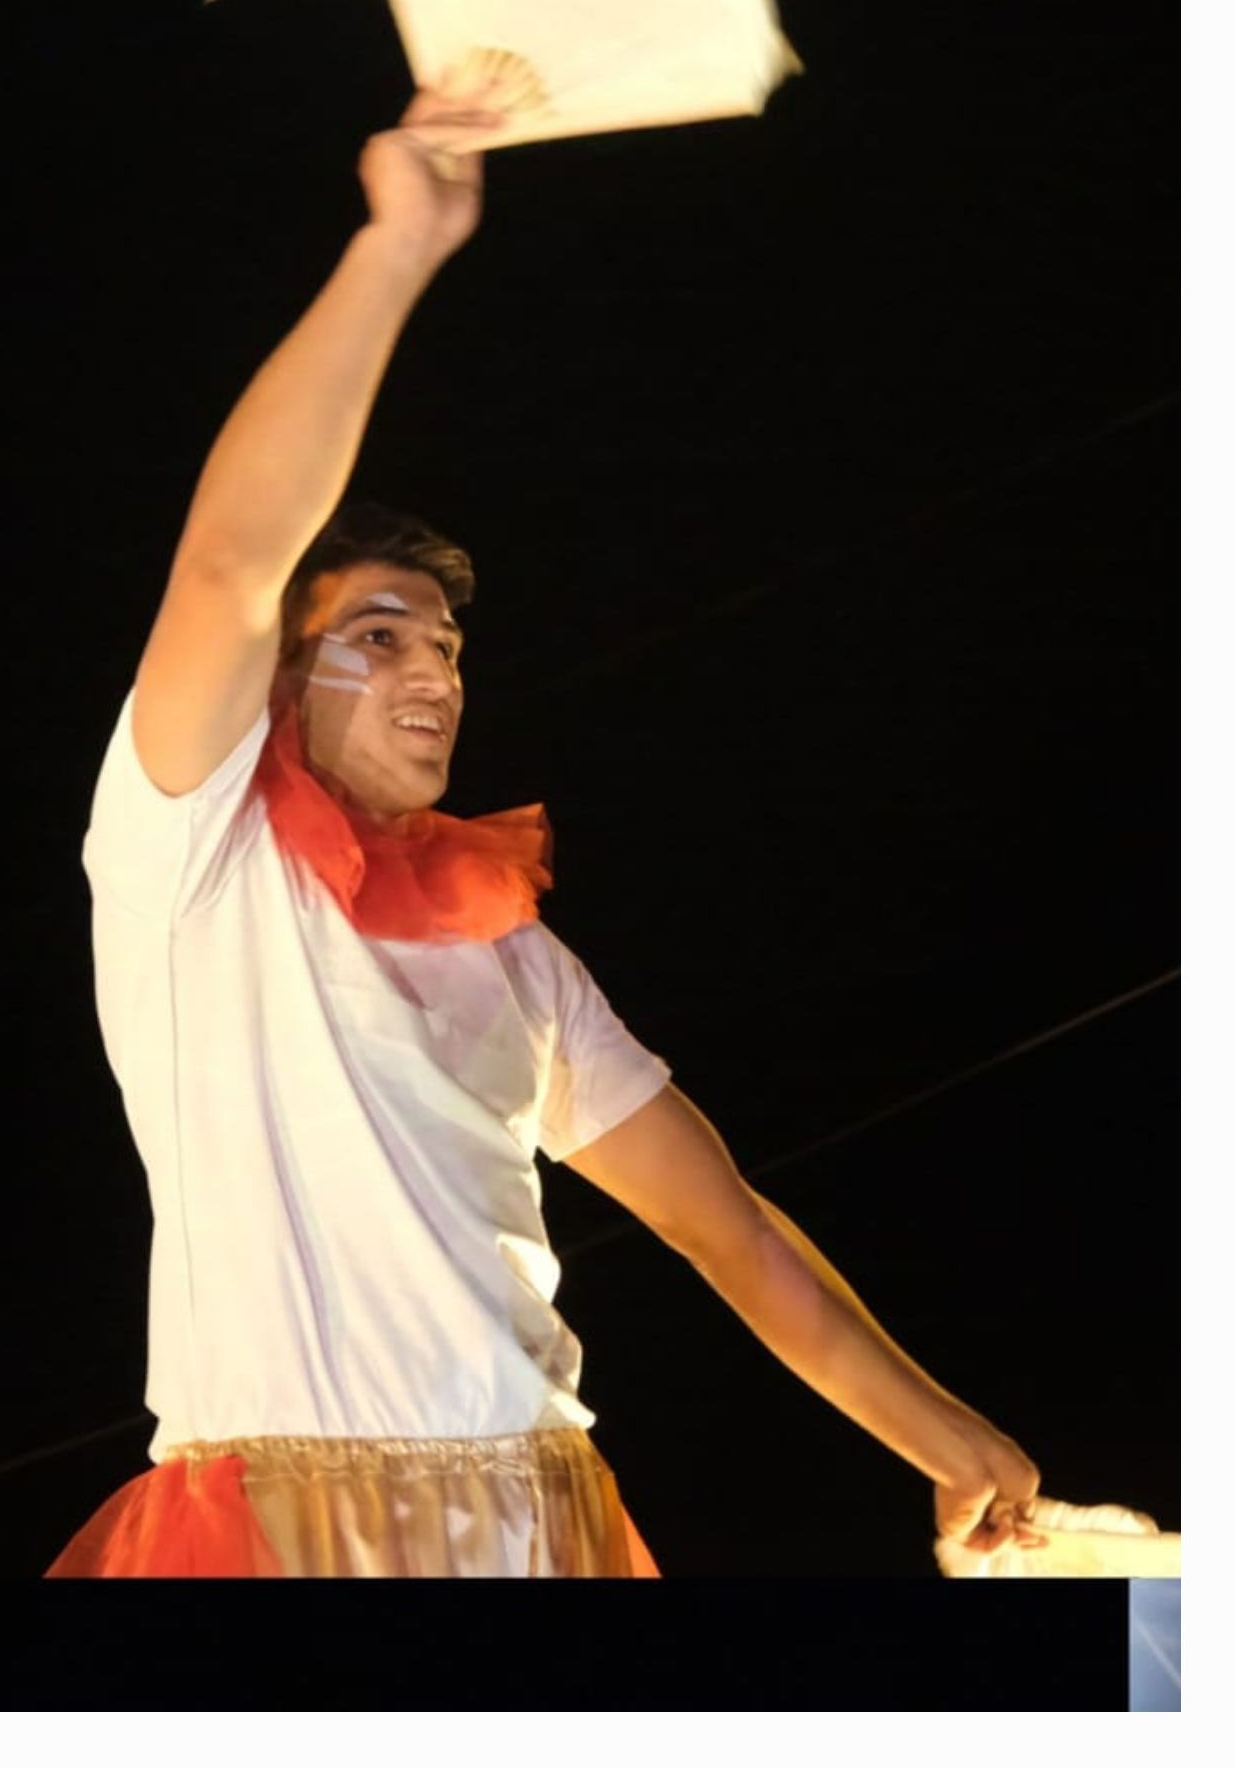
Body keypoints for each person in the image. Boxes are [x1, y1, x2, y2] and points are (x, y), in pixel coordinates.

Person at [58, 88, 1070, 1577]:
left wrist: (947, 1434)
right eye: (384, 638)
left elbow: (723, 1225)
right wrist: (398, 247)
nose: (436, 674)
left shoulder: (510, 949)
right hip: (280, 1519)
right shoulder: (195, 859)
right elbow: (228, 562)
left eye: (451, 648)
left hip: (544, 1509)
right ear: (280, 678)